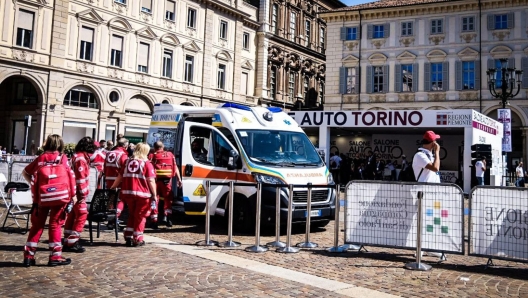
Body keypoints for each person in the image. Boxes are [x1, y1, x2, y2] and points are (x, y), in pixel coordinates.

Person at [21, 134, 76, 267]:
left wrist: (36, 186)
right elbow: (70, 177)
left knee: (37, 226)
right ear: (60, 145)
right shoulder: (63, 158)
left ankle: (29, 256)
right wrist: (73, 195)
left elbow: (25, 172)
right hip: (60, 196)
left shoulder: (41, 158)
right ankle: (55, 256)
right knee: (55, 225)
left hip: (42, 197)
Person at [110, 143, 157, 247]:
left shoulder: (127, 162)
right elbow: (151, 181)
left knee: (132, 214)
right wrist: (154, 194)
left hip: (128, 193)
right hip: (143, 194)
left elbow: (120, 176)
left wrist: (113, 187)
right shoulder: (147, 163)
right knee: (141, 216)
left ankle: (128, 235)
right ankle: (138, 238)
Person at [412, 130, 445, 261]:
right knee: (422, 222)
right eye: (435, 141)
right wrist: (437, 152)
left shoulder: (429, 155)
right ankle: (419, 249)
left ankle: (429, 247)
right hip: (424, 193)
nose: (437, 143)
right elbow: (435, 168)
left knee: (432, 222)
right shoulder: (420, 155)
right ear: (431, 143)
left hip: (434, 193)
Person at [63, 137, 97, 253]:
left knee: (72, 215)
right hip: (78, 193)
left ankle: (67, 238)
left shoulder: (77, 157)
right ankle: (72, 241)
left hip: (72, 192)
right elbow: (80, 179)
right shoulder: (81, 159)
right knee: (82, 214)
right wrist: (82, 195)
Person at [149, 141, 182, 228]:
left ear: (154, 147)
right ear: (163, 147)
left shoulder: (152, 155)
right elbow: (175, 167)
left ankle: (154, 221)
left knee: (154, 199)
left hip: (155, 181)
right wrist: (179, 179)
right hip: (167, 182)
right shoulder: (170, 155)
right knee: (168, 200)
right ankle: (168, 219)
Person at [104, 138, 129, 216]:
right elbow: (125, 168)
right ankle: (115, 218)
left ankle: (109, 216)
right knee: (121, 199)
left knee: (111, 199)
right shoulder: (123, 154)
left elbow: (104, 166)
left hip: (108, 179)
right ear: (125, 145)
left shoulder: (109, 153)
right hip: (119, 181)